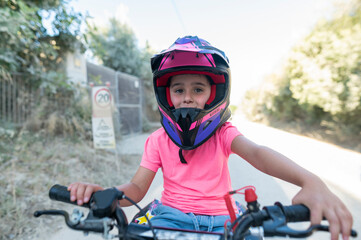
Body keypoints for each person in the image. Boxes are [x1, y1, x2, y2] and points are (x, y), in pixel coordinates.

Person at [68, 36, 353, 239]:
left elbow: (258, 154)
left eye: (198, 89)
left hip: (225, 221)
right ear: (167, 95)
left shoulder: (222, 133)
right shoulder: (157, 140)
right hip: (168, 218)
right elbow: (136, 188)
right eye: (178, 90)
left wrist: (310, 181)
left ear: (213, 94)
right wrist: (107, 194)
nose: (187, 97)